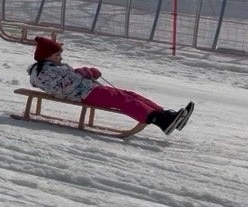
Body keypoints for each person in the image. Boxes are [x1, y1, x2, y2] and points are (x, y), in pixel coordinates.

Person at [28, 36, 194, 134]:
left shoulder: (53, 68)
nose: (60, 58)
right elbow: (62, 86)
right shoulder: (43, 72)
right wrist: (83, 75)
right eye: (57, 55)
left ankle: (167, 116)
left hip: (88, 90)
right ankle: (159, 120)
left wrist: (85, 72)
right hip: (84, 94)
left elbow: (69, 77)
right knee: (122, 100)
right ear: (48, 56)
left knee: (130, 94)